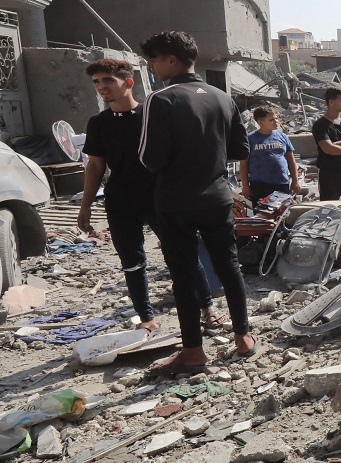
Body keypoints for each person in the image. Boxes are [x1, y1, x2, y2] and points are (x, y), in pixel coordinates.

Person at [138, 31, 258, 374]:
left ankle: (193, 351)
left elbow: (150, 158)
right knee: (228, 266)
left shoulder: (160, 100)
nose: (152, 65)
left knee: (185, 273)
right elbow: (240, 150)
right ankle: (243, 336)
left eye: (155, 59)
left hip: (176, 200)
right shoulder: (223, 97)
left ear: (171, 60)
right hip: (217, 196)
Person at [76, 59, 225, 335]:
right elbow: (95, 165)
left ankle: (208, 308)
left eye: (108, 80)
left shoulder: (152, 115)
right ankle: (146, 317)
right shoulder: (99, 123)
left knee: (184, 255)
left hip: (163, 199)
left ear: (128, 82)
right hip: (121, 202)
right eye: (96, 82)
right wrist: (85, 207)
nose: (101, 87)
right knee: (132, 262)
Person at [240, 105, 300, 202]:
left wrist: (295, 181)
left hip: (281, 183)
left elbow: (291, 160)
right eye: (271, 120)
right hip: (260, 185)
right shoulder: (251, 139)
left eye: (276, 118)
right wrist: (245, 185)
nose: (276, 121)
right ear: (260, 122)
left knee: (281, 212)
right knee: (262, 213)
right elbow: (243, 164)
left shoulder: (283, 137)